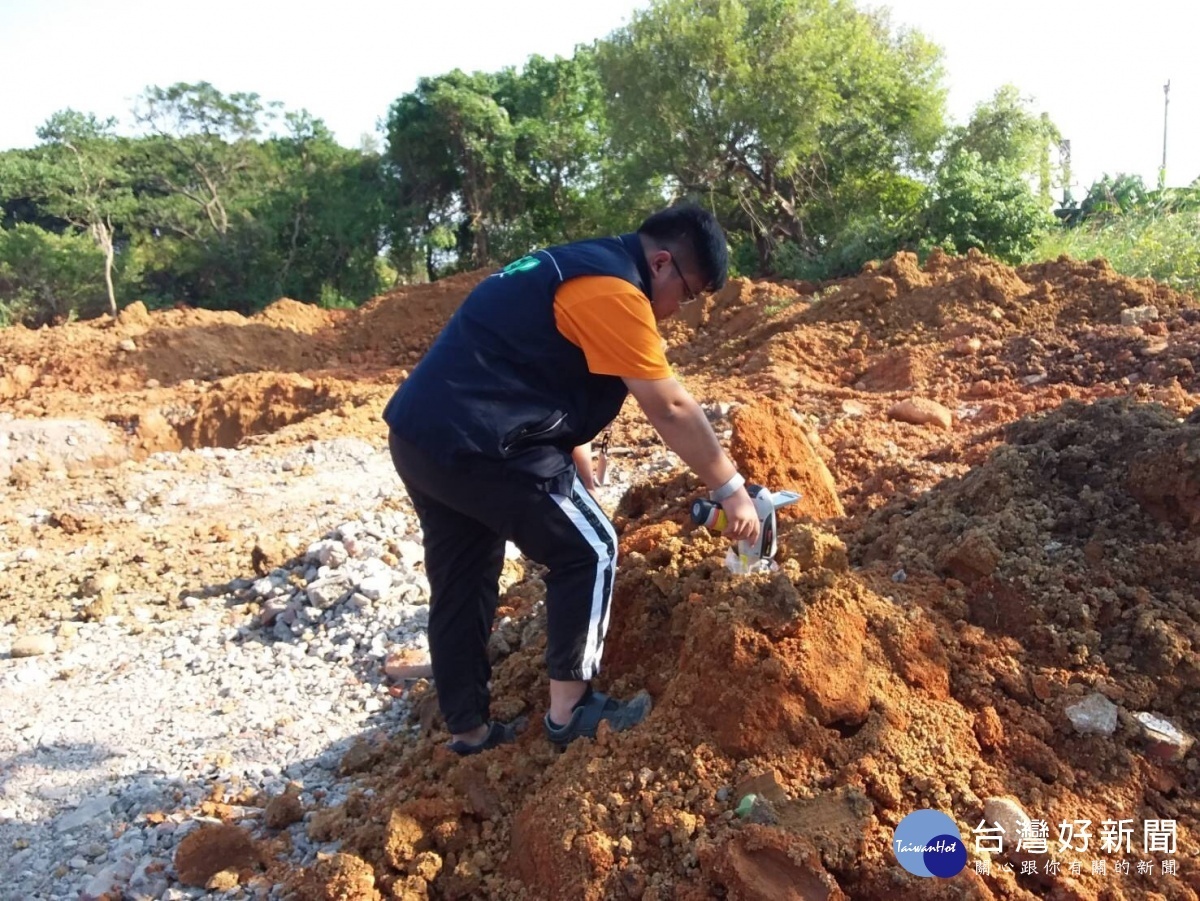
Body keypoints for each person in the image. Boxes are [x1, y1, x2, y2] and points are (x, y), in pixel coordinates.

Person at [382, 204, 761, 755]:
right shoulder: (615, 291)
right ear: (662, 264)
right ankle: (571, 713)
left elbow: (536, 357)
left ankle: (469, 732)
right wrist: (731, 489)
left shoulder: (575, 265)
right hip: (485, 442)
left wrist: (575, 449)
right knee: (593, 548)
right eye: (690, 293)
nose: (680, 311)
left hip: (423, 436)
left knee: (463, 578)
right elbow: (671, 406)